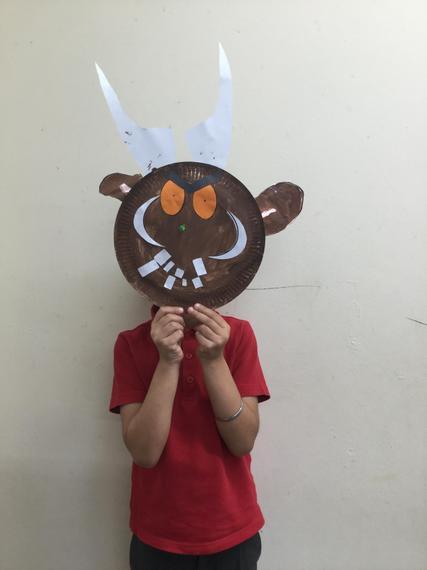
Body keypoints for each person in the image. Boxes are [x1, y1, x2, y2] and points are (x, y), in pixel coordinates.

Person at [109, 302, 271, 570]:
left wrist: (214, 359)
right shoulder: (131, 343)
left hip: (233, 531)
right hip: (158, 536)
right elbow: (144, 453)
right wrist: (168, 360)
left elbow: (242, 442)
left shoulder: (237, 334)